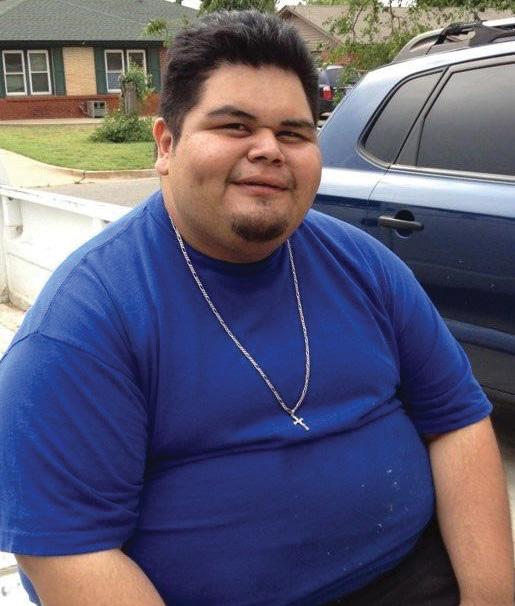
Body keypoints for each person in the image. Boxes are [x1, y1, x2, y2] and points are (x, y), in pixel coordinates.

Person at [0, 10, 513, 606]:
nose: (269, 149)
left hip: (410, 577)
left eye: (294, 133)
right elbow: (68, 550)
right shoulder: (85, 322)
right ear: (166, 144)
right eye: (235, 126)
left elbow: (457, 421)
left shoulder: (365, 266)